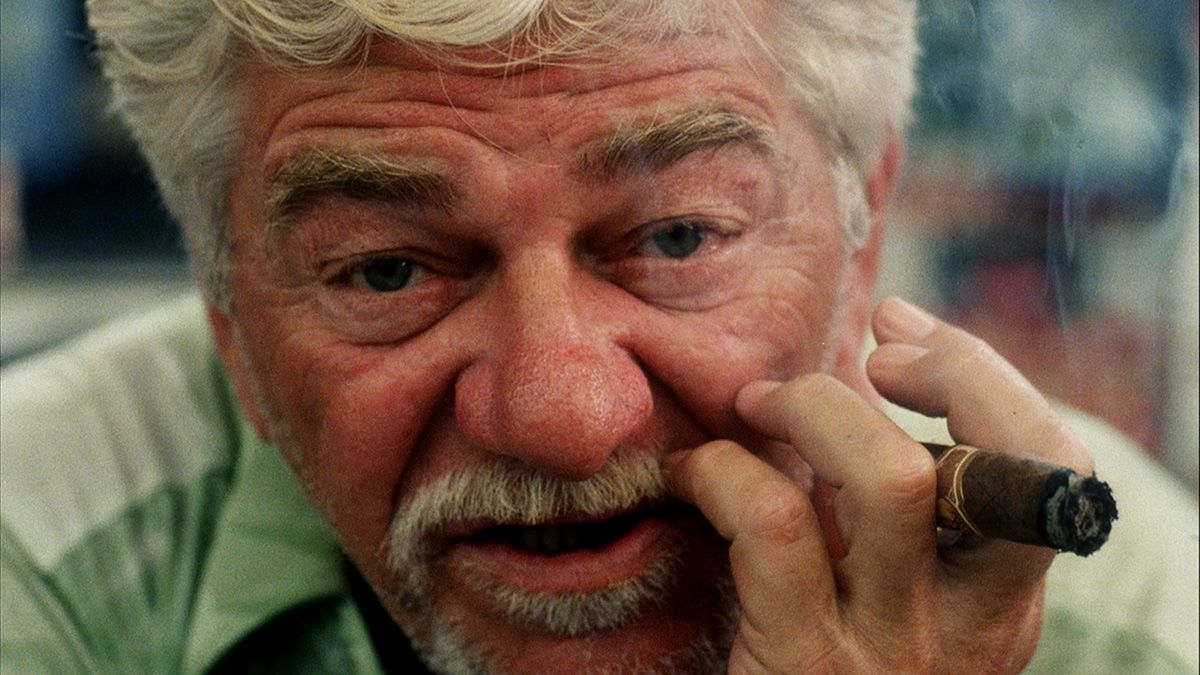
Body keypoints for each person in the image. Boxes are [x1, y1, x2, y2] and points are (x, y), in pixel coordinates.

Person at [1, 1, 1195, 672]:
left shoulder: (1129, 629)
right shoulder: (41, 564)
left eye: (677, 237)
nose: (565, 421)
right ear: (226, 314)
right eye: (388, 268)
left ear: (860, 233)